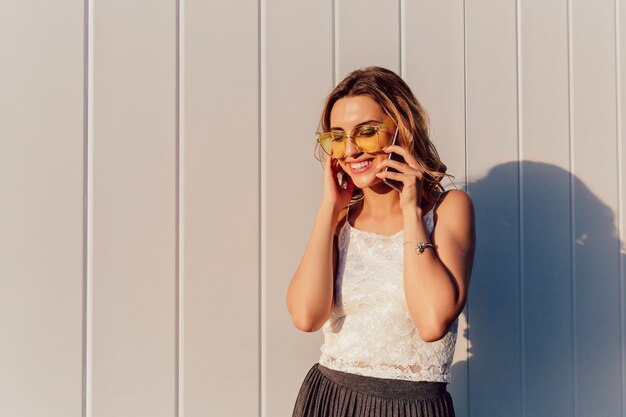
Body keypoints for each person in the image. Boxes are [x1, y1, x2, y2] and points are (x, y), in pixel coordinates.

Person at [286, 66, 476, 417]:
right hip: (328, 400)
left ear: (402, 130)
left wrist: (411, 213)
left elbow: (432, 322)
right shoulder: (340, 219)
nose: (351, 150)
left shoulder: (449, 210)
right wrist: (328, 210)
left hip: (411, 407)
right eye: (337, 137)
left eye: (366, 133)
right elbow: (306, 316)